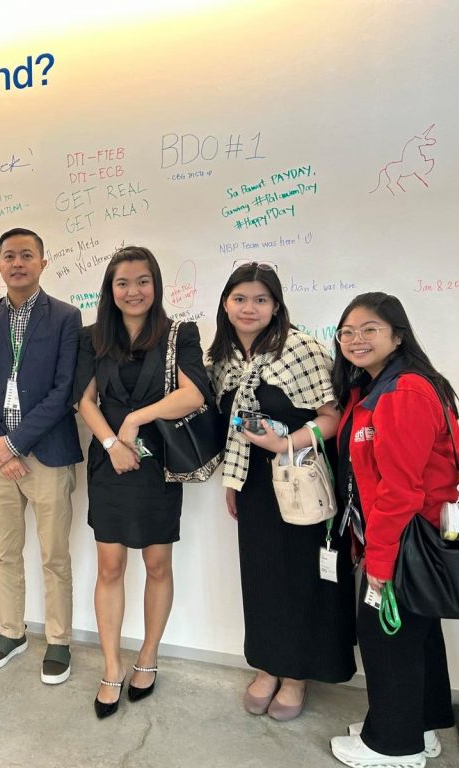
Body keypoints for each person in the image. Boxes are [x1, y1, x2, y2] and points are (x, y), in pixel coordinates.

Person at [207, 262, 355, 722]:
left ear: (276, 306)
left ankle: (296, 675)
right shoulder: (224, 358)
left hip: (300, 482)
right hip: (253, 484)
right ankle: (269, 666)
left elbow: (332, 417)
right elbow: (232, 428)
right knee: (262, 576)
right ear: (226, 304)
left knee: (300, 578)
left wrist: (285, 444)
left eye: (261, 300)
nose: (249, 308)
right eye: (240, 298)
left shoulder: (302, 349)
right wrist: (233, 482)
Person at [74, 246, 208, 718]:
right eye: (123, 283)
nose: (134, 291)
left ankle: (148, 656)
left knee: (156, 564)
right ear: (110, 290)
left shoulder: (179, 334)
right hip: (110, 465)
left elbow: (194, 394)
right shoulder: (92, 337)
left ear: (156, 285)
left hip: (157, 467)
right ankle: (111, 665)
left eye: (143, 281)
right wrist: (113, 443)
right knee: (109, 567)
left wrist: (135, 419)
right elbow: (85, 401)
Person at [329, 293, 459, 768]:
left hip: (408, 536)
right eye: (347, 332)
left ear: (397, 335)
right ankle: (418, 727)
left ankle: (392, 746)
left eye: (369, 330)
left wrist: (380, 564)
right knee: (416, 635)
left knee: (388, 636)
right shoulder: (378, 388)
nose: (355, 340)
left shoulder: (403, 392)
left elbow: (400, 490)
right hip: (408, 536)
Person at [0, 227, 82, 684]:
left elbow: (63, 391)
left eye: (27, 255)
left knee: (55, 554)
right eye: (9, 256)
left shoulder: (66, 317)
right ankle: (11, 632)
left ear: (42, 262)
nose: (18, 263)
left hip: (46, 454)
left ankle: (58, 640)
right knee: (5, 551)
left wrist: (16, 444)